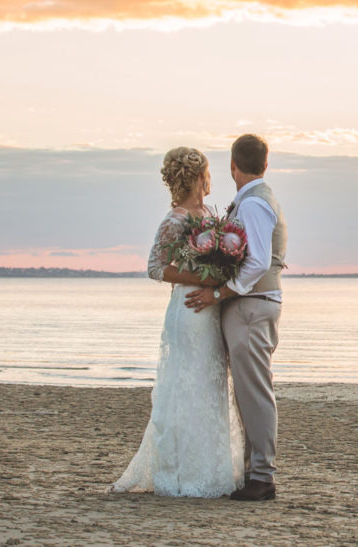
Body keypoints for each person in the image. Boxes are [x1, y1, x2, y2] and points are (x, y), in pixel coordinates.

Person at [112, 147, 244, 498]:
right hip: (189, 311)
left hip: (211, 310)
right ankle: (182, 473)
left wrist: (220, 275)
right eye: (208, 173)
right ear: (200, 177)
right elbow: (155, 268)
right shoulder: (176, 218)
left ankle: (215, 469)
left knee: (211, 384)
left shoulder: (212, 215)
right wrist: (204, 278)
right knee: (188, 386)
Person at [185, 133, 287, 502]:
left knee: (255, 392)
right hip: (250, 304)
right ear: (264, 162)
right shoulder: (251, 200)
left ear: (233, 165)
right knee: (248, 393)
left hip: (251, 305)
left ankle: (262, 477)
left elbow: (258, 260)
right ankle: (253, 473)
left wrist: (220, 292)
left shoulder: (255, 204)